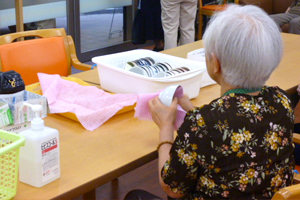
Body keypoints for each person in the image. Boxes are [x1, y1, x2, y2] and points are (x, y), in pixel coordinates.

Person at [124, 4, 295, 200]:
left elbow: (172, 188)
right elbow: (235, 124)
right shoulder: (281, 100)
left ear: (216, 63)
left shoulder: (204, 122)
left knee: (134, 196)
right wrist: (191, 109)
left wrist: (165, 127)